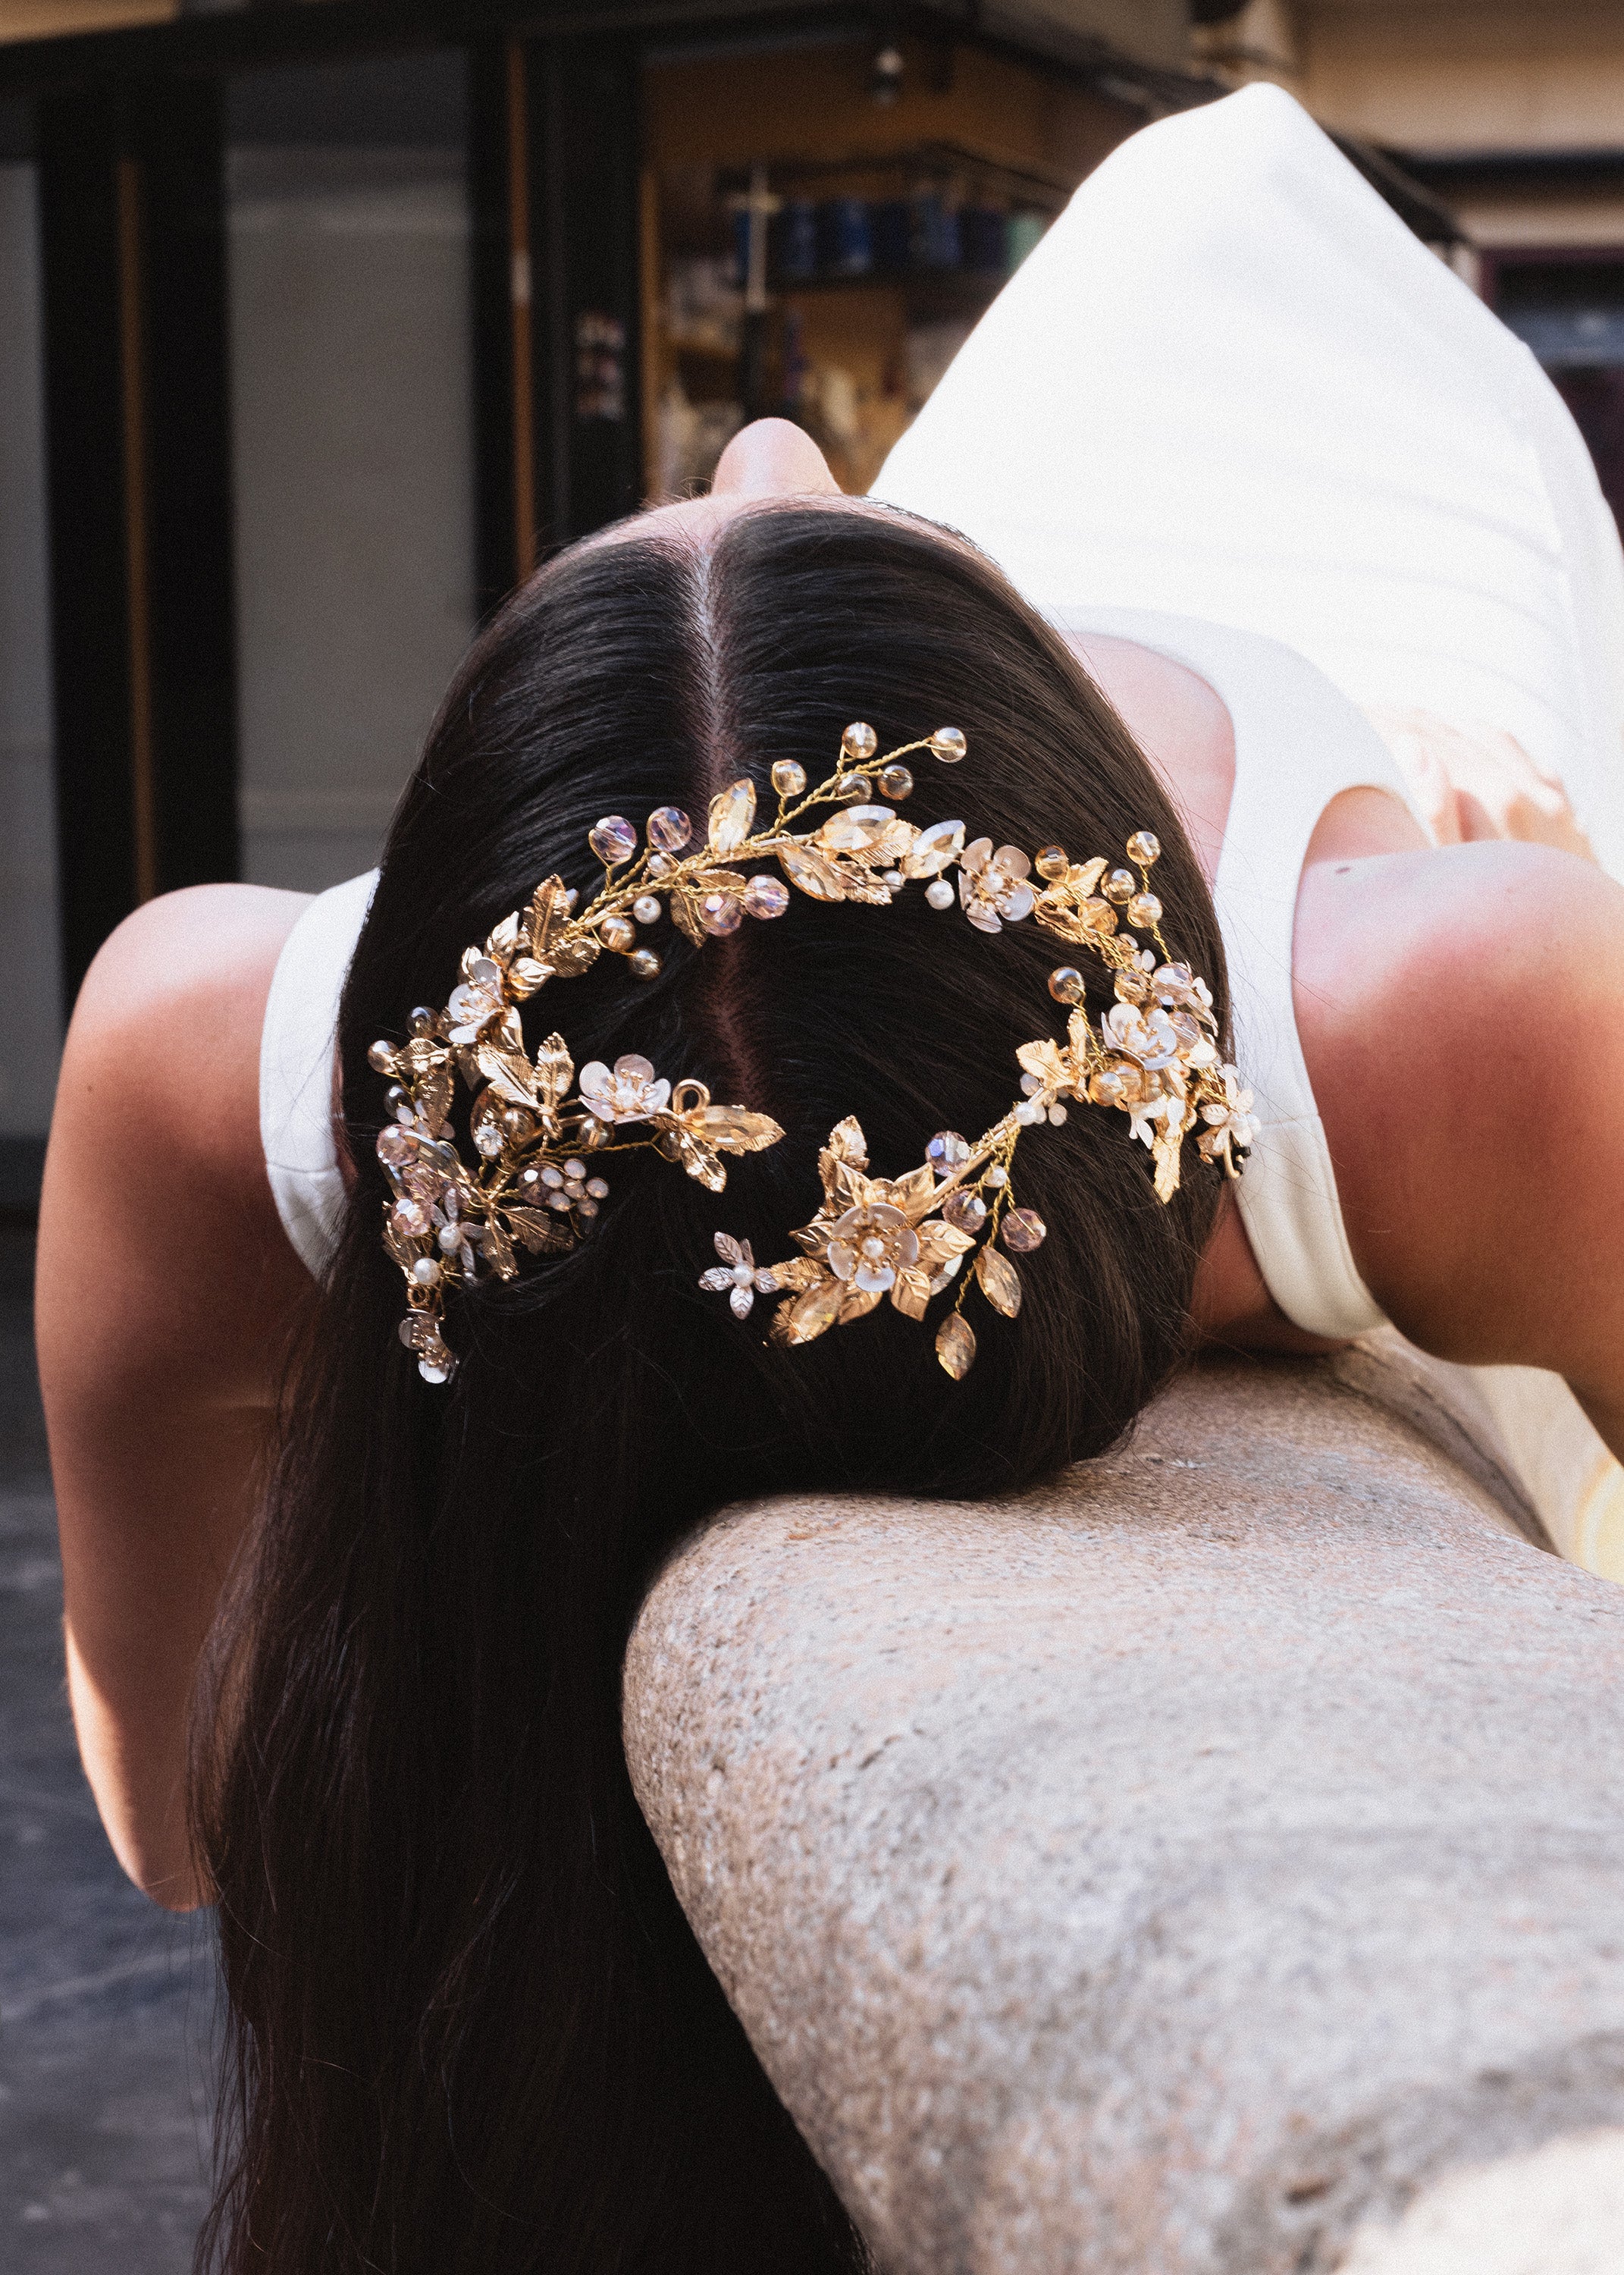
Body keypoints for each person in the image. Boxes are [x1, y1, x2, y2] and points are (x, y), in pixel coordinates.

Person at [33, 83, 1624, 2275]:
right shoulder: (1449, 1005)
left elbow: (186, 1818)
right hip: (1385, 462)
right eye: (851, 525)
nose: (773, 452)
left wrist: (486, 1561)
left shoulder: (218, 1042)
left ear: (436, 906)